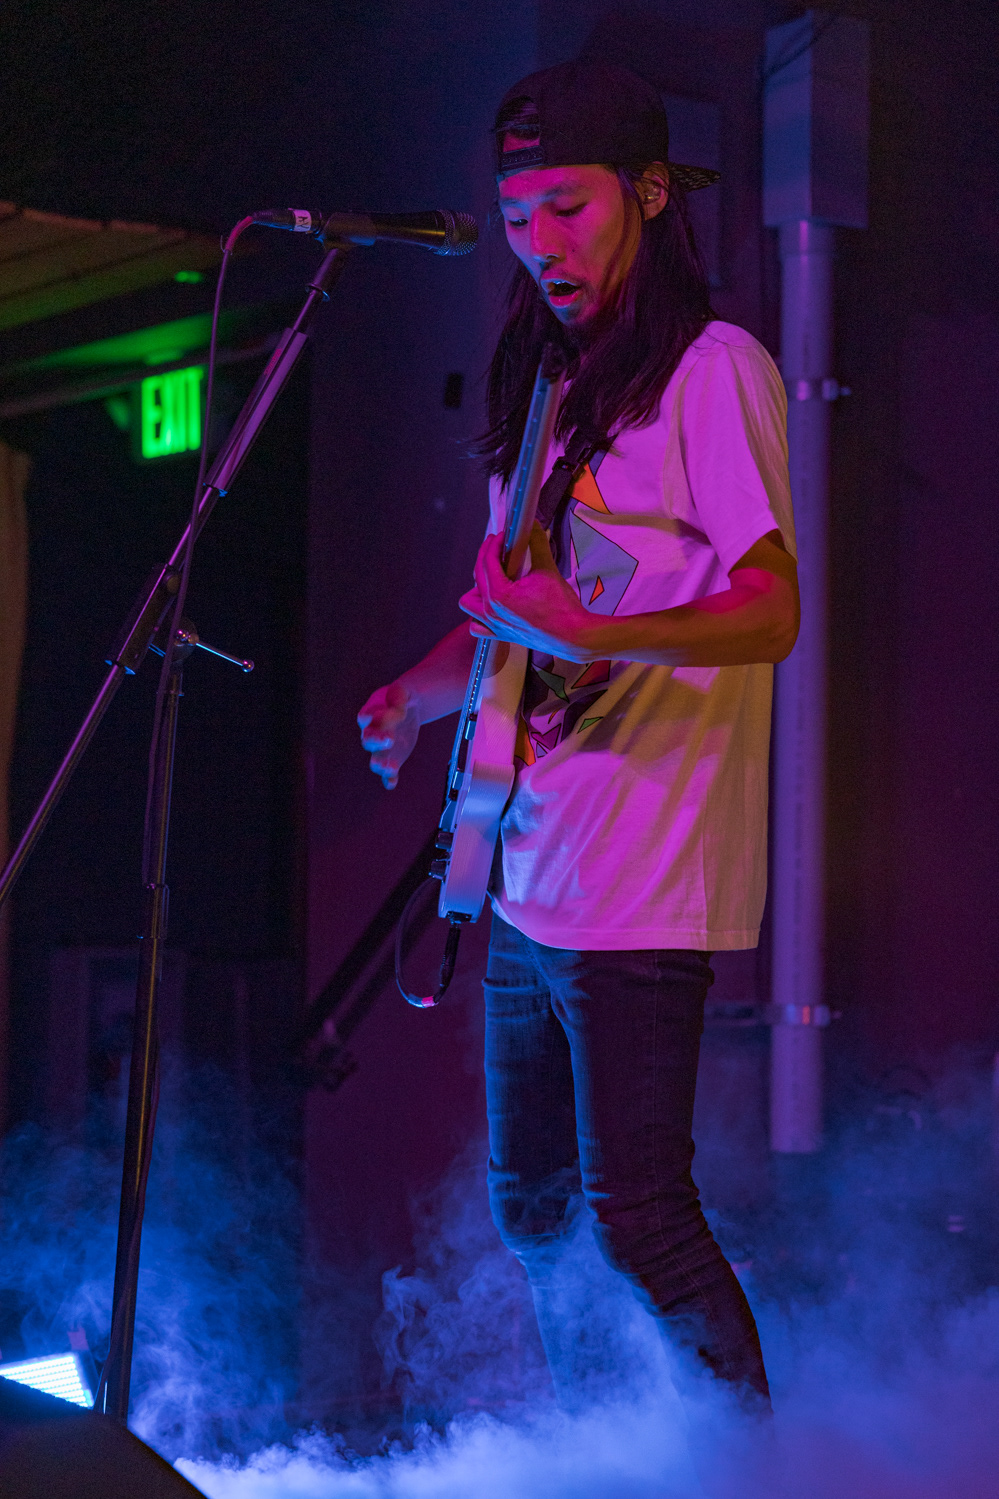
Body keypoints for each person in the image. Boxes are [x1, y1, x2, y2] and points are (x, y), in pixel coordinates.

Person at [357, 58, 798, 1412]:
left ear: (649, 197)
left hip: (646, 882)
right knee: (536, 1219)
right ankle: (606, 1465)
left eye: (568, 208)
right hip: (529, 874)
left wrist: (594, 636)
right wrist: (423, 690)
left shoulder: (714, 371)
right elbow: (516, 611)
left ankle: (758, 1471)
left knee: (638, 1221)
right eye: (518, 215)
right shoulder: (545, 390)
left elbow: (769, 607)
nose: (539, 242)